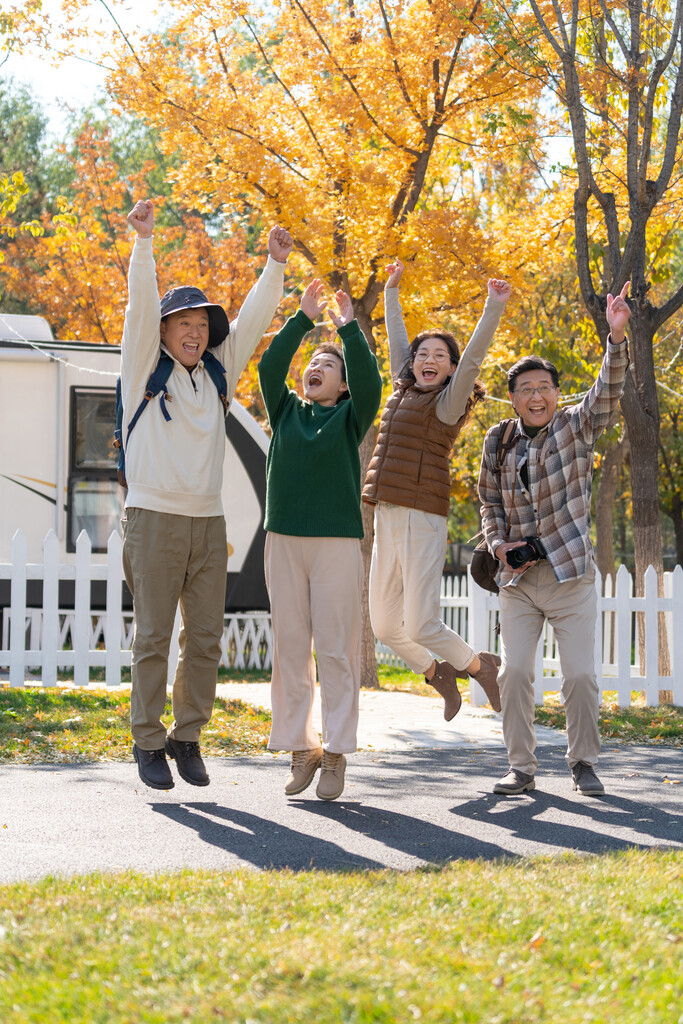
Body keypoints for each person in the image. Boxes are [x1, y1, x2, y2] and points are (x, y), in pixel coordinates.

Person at [121, 198, 292, 790]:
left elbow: (246, 325)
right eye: (183, 324)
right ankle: (147, 742)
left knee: (206, 639)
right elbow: (139, 309)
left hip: (208, 524)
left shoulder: (217, 374)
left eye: (201, 325)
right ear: (164, 331)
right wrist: (144, 246)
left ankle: (186, 737)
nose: (195, 332)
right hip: (152, 519)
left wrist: (273, 267)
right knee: (152, 637)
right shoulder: (143, 366)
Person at [477, 282, 631, 796]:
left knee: (581, 678)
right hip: (518, 580)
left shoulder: (575, 427)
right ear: (514, 398)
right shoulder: (498, 440)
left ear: (555, 393)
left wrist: (615, 336)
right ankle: (521, 767)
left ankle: (583, 762)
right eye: (525, 389)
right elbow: (489, 503)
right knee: (515, 673)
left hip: (570, 577)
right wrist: (497, 544)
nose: (536, 396)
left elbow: (606, 391)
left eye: (543, 387)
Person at [363, 259, 511, 717]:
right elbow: (397, 342)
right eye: (422, 354)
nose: (429, 359)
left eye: (439, 357)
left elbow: (473, 359)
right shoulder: (403, 391)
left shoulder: (447, 405)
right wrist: (390, 292)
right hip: (387, 511)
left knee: (422, 622)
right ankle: (438, 673)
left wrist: (493, 306)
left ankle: (480, 665)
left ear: (450, 371)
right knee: (386, 624)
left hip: (422, 514)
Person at [258, 279, 382, 801]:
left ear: (344, 385)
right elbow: (269, 367)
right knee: (290, 649)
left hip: (335, 544)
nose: (316, 369)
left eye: (329, 367)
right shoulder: (284, 410)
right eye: (313, 365)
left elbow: (373, 384)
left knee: (334, 650)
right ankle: (299, 747)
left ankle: (334, 752)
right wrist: (302, 321)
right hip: (283, 540)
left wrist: (349, 329)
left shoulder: (350, 417)